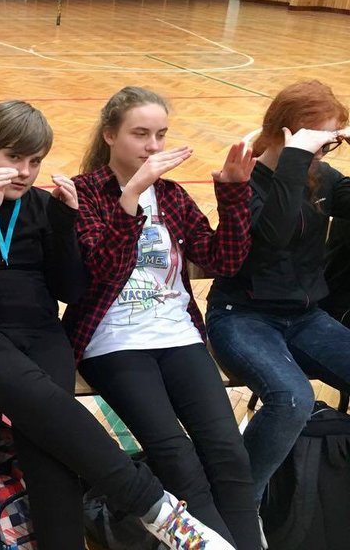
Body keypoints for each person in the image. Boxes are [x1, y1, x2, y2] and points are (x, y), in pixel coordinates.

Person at [0, 99, 236, 550]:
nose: (25, 172)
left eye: (35, 161)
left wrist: (62, 224)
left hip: (42, 333)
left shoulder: (41, 205)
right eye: (13, 157)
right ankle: (153, 505)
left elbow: (70, 290)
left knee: (48, 447)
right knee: (47, 407)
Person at [61, 87, 261, 550]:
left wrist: (233, 193)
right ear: (110, 135)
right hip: (112, 342)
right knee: (177, 459)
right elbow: (103, 270)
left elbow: (224, 259)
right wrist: (131, 194)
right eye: (140, 134)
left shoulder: (171, 195)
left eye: (161, 135)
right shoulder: (82, 193)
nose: (153, 146)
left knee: (228, 453)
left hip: (178, 335)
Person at [206, 80, 350, 506]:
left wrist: (308, 157)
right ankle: (237, 506)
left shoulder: (321, 177)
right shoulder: (242, 180)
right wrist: (296, 158)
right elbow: (272, 237)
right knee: (291, 399)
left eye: (330, 142)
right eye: (320, 141)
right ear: (287, 133)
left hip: (305, 318)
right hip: (241, 316)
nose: (324, 152)